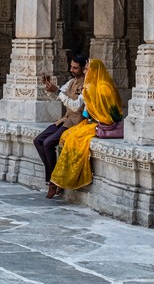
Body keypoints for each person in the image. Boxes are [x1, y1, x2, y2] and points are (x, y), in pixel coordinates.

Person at [48, 59, 123, 194]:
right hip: (93, 122)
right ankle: (60, 179)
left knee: (75, 139)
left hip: (106, 124)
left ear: (95, 71)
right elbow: (85, 111)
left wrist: (89, 96)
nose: (85, 72)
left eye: (87, 70)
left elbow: (110, 114)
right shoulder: (90, 86)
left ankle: (64, 179)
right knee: (66, 136)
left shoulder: (104, 87)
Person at [34, 55, 87, 197]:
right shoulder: (71, 82)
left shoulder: (86, 85)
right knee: (38, 141)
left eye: (75, 68)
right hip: (65, 119)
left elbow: (76, 107)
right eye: (71, 67)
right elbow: (59, 96)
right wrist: (50, 89)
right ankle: (54, 179)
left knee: (48, 143)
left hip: (77, 122)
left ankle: (52, 182)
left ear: (83, 68)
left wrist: (57, 91)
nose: (72, 70)